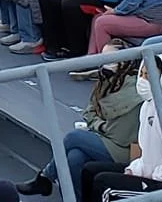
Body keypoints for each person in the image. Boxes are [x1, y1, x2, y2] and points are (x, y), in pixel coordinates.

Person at [18, 41, 142, 196]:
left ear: (123, 62)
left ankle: (45, 178)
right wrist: (100, 125)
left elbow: (119, 136)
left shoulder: (135, 94)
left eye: (109, 59)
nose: (103, 63)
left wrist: (98, 126)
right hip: (103, 138)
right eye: (101, 57)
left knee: (73, 137)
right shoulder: (107, 82)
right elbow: (89, 112)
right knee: (74, 158)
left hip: (124, 150)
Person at [75, 52, 162, 202]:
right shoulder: (148, 105)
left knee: (103, 183)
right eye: (142, 74)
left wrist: (147, 175)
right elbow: (148, 156)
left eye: (149, 76)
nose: (143, 80)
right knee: (90, 170)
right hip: (152, 175)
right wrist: (133, 170)